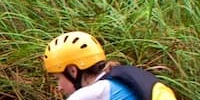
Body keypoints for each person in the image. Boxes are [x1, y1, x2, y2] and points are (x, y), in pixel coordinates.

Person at [43, 31, 177, 100]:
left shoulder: (89, 94)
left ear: (72, 70)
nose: (59, 87)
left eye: (58, 78)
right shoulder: (119, 78)